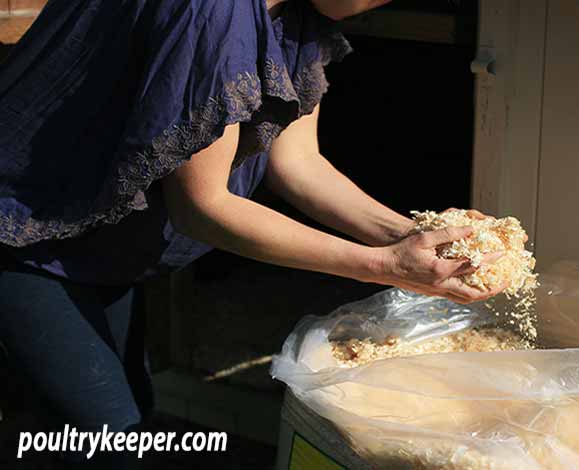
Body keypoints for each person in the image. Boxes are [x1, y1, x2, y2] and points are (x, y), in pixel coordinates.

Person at [0, 0, 504, 467]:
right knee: (108, 436)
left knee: (116, 413)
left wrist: (418, 233)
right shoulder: (211, 14)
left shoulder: (296, 12)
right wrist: (385, 266)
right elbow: (203, 207)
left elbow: (297, 162)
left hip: (93, 242)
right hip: (21, 235)